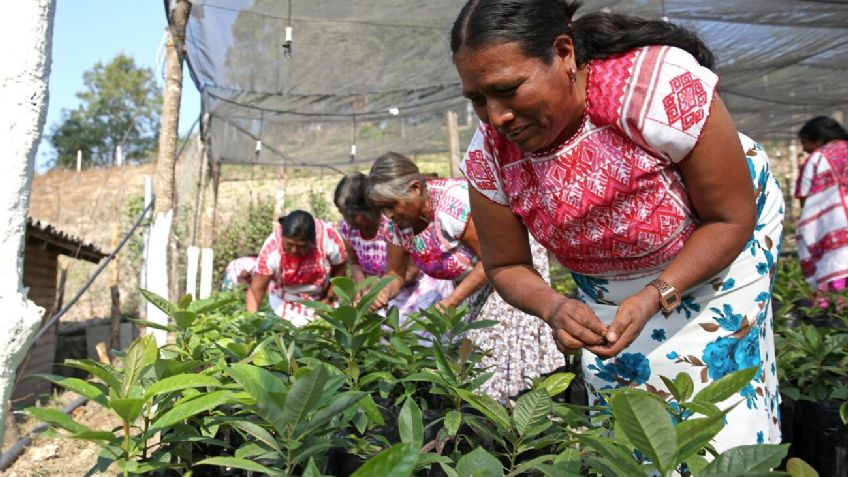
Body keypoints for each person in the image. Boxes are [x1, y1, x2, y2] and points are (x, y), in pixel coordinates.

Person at [452, 0, 783, 449]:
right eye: (476, 98)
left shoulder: (656, 88)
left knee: (719, 406)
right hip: (607, 284)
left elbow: (729, 217)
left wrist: (656, 294)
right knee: (625, 418)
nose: (495, 116)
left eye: (508, 88)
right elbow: (507, 263)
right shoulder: (489, 153)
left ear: (565, 53)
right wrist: (552, 306)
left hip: (719, 247)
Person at [367, 152, 564, 401]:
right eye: (382, 208)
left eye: (391, 205)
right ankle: (503, 412)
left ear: (415, 188)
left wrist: (451, 301)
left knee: (491, 345)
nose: (388, 214)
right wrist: (381, 293)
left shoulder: (454, 204)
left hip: (509, 263)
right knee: (469, 351)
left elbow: (492, 261)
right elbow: (394, 274)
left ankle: (524, 411)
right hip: (476, 274)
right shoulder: (395, 224)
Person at [333, 172, 454, 318]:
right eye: (343, 214)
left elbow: (410, 271)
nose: (347, 220)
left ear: (369, 207)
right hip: (385, 293)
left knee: (416, 331)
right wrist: (363, 288)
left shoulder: (394, 223)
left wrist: (378, 291)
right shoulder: (349, 229)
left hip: (418, 287)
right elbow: (354, 263)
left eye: (351, 215)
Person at [247, 210, 347, 326]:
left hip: (323, 297)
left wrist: (328, 298)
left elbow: (340, 270)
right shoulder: (271, 251)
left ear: (312, 241)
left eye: (301, 246)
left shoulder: (329, 239)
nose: (294, 250)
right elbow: (256, 290)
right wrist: (252, 325)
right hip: (286, 300)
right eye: (289, 244)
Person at [795, 116, 848, 300]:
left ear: (817, 138)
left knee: (835, 278)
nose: (804, 149)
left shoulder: (818, 158)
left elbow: (804, 195)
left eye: (804, 142)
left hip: (833, 229)